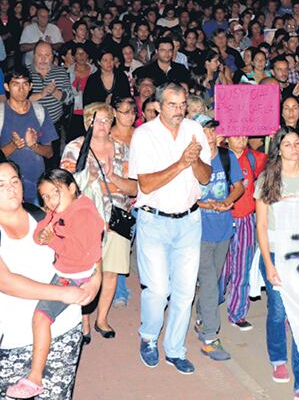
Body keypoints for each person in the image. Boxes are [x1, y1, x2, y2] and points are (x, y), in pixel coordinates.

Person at [128, 82, 212, 374]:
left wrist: (195, 160)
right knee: (158, 289)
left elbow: (205, 177)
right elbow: (146, 184)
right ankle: (149, 337)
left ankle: (175, 349)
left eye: (182, 104)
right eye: (172, 105)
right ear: (158, 106)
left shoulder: (195, 130)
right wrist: (180, 163)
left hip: (189, 221)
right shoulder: (144, 135)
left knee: (185, 291)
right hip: (154, 221)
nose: (179, 111)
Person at [0, 162, 99, 400]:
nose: (11, 188)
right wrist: (63, 294)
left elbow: (88, 245)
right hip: (15, 338)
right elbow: (5, 281)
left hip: (63, 329)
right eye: (1, 185)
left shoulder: (44, 215)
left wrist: (95, 279)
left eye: (15, 181)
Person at [59, 102, 137, 340]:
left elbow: (133, 188)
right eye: (98, 120)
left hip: (116, 219)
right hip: (85, 222)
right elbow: (63, 188)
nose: (103, 125)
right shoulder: (75, 148)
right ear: (87, 122)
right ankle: (84, 321)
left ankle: (102, 319)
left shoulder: (123, 149)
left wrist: (112, 177)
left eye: (107, 120)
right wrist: (86, 179)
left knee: (111, 271)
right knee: (87, 272)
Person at [255, 129, 299, 400]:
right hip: (275, 252)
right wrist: (269, 265)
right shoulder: (267, 178)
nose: (294, 147)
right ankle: (277, 356)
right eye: (288, 144)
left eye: (297, 143)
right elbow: (260, 224)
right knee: (278, 311)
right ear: (278, 149)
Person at [191, 115, 244, 361]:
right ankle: (210, 336)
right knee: (210, 281)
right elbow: (183, 195)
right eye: (205, 130)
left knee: (215, 280)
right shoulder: (191, 161)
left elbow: (239, 186)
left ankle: (202, 315)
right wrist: (203, 203)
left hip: (223, 228)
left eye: (212, 130)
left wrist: (227, 201)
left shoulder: (226, 156)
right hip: (198, 232)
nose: (210, 135)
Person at [222, 134, 266, 331]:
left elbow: (272, 164)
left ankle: (238, 312)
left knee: (242, 266)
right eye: (235, 136)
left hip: (246, 219)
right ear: (226, 138)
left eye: (243, 136)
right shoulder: (220, 157)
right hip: (223, 218)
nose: (240, 139)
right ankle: (209, 306)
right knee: (222, 267)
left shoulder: (254, 158)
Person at [1, 66, 57, 204]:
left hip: (36, 187)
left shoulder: (40, 111)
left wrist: (34, 146)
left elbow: (49, 153)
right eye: (15, 84)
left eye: (25, 84)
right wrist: (13, 146)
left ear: (31, 86)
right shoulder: (1, 114)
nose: (21, 89)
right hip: (7, 189)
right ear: (6, 87)